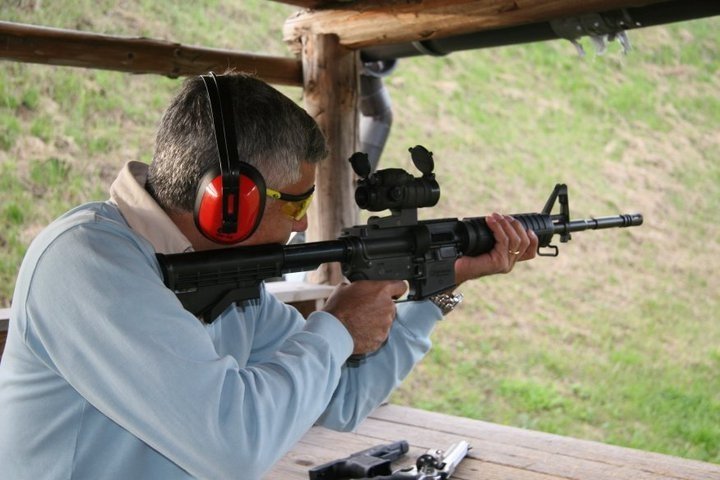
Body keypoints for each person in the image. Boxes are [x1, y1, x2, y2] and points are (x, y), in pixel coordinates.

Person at [0, 72, 537, 479]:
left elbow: (343, 397)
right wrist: (335, 328)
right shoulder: (88, 262)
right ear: (232, 199)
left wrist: (437, 290)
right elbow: (231, 446)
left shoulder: (224, 282)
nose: (302, 223)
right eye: (297, 202)